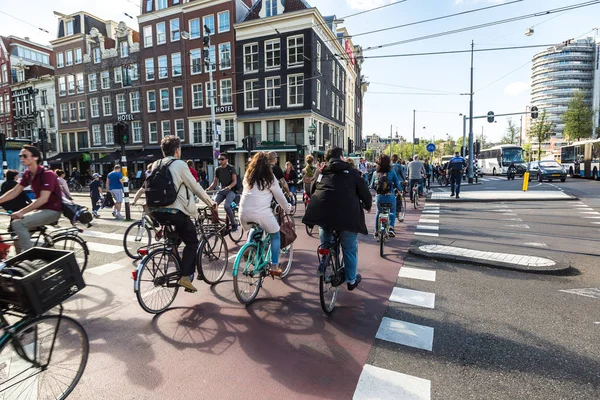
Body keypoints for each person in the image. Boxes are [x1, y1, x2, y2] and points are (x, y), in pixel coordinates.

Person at [149, 135, 216, 292]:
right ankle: (185, 277)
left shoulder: (156, 164)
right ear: (177, 150)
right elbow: (195, 187)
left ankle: (172, 255)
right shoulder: (179, 164)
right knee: (192, 242)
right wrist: (210, 203)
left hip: (156, 211)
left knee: (177, 236)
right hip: (175, 212)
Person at [302, 147, 372, 291]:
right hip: (347, 217)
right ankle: (351, 280)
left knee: (325, 234)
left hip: (323, 214)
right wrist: (368, 205)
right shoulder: (352, 172)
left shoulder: (321, 172)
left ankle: (325, 258)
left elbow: (311, 190)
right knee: (350, 249)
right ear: (341, 157)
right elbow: (364, 192)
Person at [0, 145, 62, 253]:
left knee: (17, 223)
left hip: (52, 211)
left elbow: (43, 199)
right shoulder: (28, 174)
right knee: (17, 242)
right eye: (20, 156)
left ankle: (29, 257)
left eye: (25, 156)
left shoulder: (47, 174)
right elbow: (15, 191)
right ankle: (20, 265)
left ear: (35, 157)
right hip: (40, 211)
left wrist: (21, 212)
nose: (22, 158)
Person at [239, 152, 292, 276]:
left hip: (243, 212)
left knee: (254, 228)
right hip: (261, 212)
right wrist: (288, 208)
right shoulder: (270, 177)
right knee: (275, 234)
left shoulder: (248, 175)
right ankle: (274, 265)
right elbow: (279, 197)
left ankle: (248, 247)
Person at [373, 154, 403, 238]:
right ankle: (391, 228)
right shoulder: (392, 172)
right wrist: (400, 189)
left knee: (378, 213)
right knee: (392, 211)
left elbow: (371, 185)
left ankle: (376, 231)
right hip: (390, 196)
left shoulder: (376, 173)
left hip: (379, 197)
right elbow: (397, 184)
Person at [207, 153, 239, 232]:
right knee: (213, 205)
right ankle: (215, 223)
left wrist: (230, 187)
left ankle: (234, 224)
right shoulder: (217, 169)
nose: (220, 161)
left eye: (222, 159)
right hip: (222, 191)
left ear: (226, 160)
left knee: (227, 207)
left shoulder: (231, 168)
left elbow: (235, 181)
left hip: (231, 191)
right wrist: (207, 190)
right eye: (219, 159)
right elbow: (214, 183)